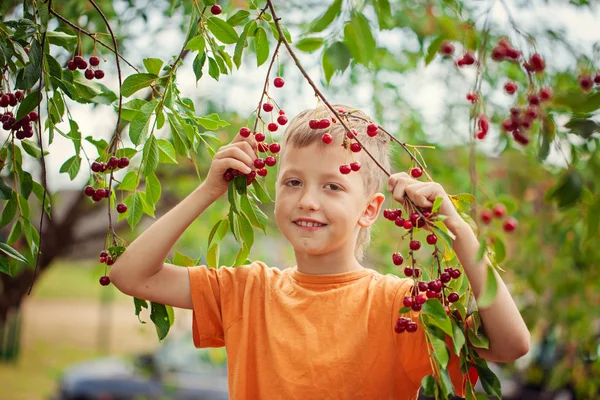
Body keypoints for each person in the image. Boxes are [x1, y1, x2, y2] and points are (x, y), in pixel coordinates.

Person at [109, 104, 530, 399]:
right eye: (293, 182)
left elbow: (510, 344)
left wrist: (457, 228)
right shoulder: (247, 291)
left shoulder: (400, 307)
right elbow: (132, 276)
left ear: (369, 209)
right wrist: (209, 190)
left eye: (332, 186)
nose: (308, 200)